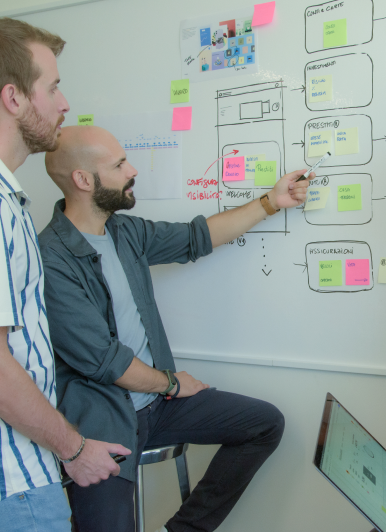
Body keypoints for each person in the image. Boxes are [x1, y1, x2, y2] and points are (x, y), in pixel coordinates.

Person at [39, 125, 313, 532]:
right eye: (118, 165)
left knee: (264, 423)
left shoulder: (122, 231)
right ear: (83, 180)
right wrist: (169, 383)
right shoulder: (50, 258)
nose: (132, 170)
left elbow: (195, 237)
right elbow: (103, 361)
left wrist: (271, 202)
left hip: (157, 408)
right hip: (103, 425)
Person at [0, 18, 130, 531]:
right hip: (17, 488)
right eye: (52, 87)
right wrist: (73, 448)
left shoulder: (12, 202)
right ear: (13, 97)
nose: (63, 103)